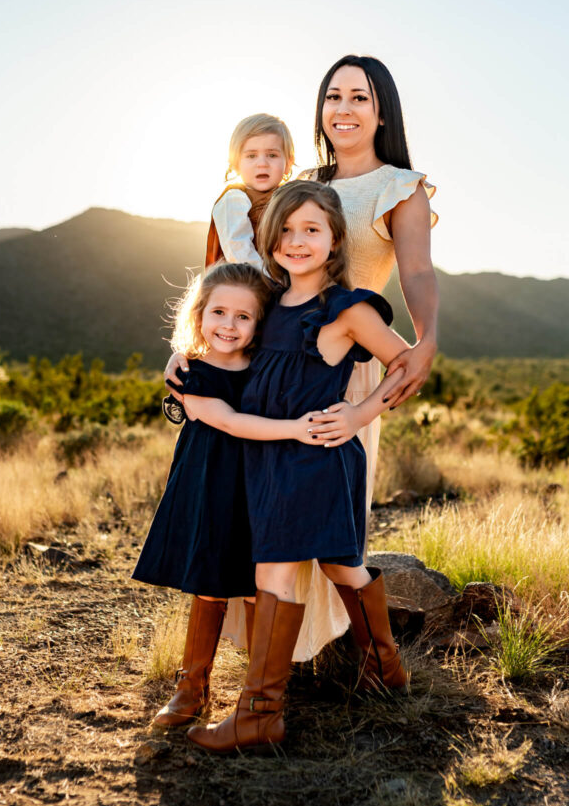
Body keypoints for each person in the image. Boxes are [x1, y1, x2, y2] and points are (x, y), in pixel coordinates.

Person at [168, 55, 439, 660]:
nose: (344, 108)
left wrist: (427, 339)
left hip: (348, 364)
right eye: (333, 96)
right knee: (251, 517)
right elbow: (233, 276)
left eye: (360, 98)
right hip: (267, 363)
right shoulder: (299, 184)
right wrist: (192, 352)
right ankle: (267, 676)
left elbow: (417, 270)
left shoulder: (400, 185)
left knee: (329, 528)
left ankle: (361, 660)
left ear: (381, 110)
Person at [187, 180, 411, 754]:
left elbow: (405, 365)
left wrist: (359, 414)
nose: (297, 240)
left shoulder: (345, 310)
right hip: (266, 458)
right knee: (333, 569)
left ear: (335, 239)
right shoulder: (264, 302)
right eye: (285, 229)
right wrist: (178, 357)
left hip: (317, 460)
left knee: (311, 572)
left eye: (312, 229)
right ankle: (384, 674)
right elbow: (219, 330)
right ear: (269, 237)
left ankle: (266, 713)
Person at [132, 261, 339, 728]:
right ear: (199, 315)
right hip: (209, 480)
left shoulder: (266, 366)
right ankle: (192, 687)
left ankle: (253, 697)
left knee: (255, 581)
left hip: (261, 481)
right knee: (209, 579)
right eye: (219, 313)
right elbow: (227, 421)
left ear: (259, 324)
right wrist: (293, 429)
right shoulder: (194, 373)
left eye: (243, 317)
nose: (229, 325)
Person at [205, 113, 294, 269]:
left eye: (272, 155)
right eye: (251, 156)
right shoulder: (234, 199)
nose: (262, 163)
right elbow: (238, 251)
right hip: (246, 285)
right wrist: (271, 283)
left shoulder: (290, 198)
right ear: (236, 163)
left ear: (288, 163)